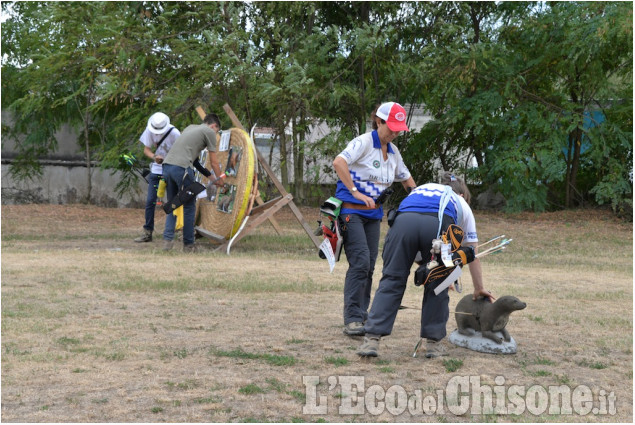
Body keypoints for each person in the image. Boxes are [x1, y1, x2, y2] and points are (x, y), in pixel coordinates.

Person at [357, 172, 496, 358]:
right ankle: (433, 345)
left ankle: (371, 339)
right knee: (438, 286)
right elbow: (472, 253)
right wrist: (478, 288)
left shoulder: (423, 189)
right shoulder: (460, 203)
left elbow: (415, 243)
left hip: (402, 222)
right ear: (462, 196)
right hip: (438, 223)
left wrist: (429, 268)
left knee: (392, 279)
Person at [333, 102, 417, 337]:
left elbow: (407, 181)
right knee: (360, 262)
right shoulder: (363, 142)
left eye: (399, 129)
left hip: (373, 215)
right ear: (378, 122)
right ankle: (351, 319)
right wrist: (355, 192)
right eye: (391, 127)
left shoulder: (393, 151)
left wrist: (421, 200)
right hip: (351, 212)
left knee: (369, 266)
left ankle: (362, 313)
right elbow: (339, 162)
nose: (395, 133)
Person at [162, 113, 226, 252]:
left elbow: (195, 161)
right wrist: (219, 178)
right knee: (189, 206)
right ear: (214, 126)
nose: (215, 134)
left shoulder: (191, 127)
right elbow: (214, 161)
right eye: (217, 131)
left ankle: (167, 243)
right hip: (182, 169)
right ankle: (189, 245)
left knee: (173, 203)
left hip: (167, 167)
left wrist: (210, 177)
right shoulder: (209, 131)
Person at [134, 112, 181, 243]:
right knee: (150, 201)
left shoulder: (175, 133)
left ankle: (172, 232)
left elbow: (182, 150)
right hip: (156, 171)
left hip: (171, 170)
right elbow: (146, 150)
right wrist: (155, 157)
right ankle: (147, 232)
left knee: (172, 202)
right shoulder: (149, 131)